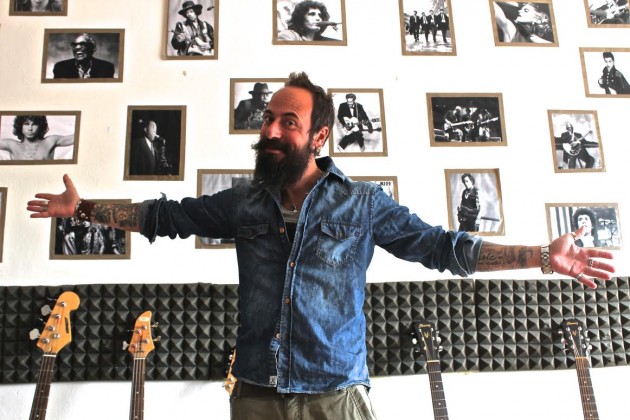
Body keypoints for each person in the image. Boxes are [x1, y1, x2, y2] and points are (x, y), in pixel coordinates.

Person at [27, 71, 615, 420]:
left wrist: (541, 257)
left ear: (320, 136)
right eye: (269, 119)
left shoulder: (362, 203)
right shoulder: (244, 202)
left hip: (335, 399)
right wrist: (84, 209)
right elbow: (165, 216)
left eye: (288, 121)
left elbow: (441, 248)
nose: (271, 130)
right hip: (254, 394)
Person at [0, 115, 74, 160]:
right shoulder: (12, 145)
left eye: (34, 124)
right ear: (20, 126)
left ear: (40, 126)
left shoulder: (49, 142)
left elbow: (76, 138)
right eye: (26, 124)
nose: (30, 128)